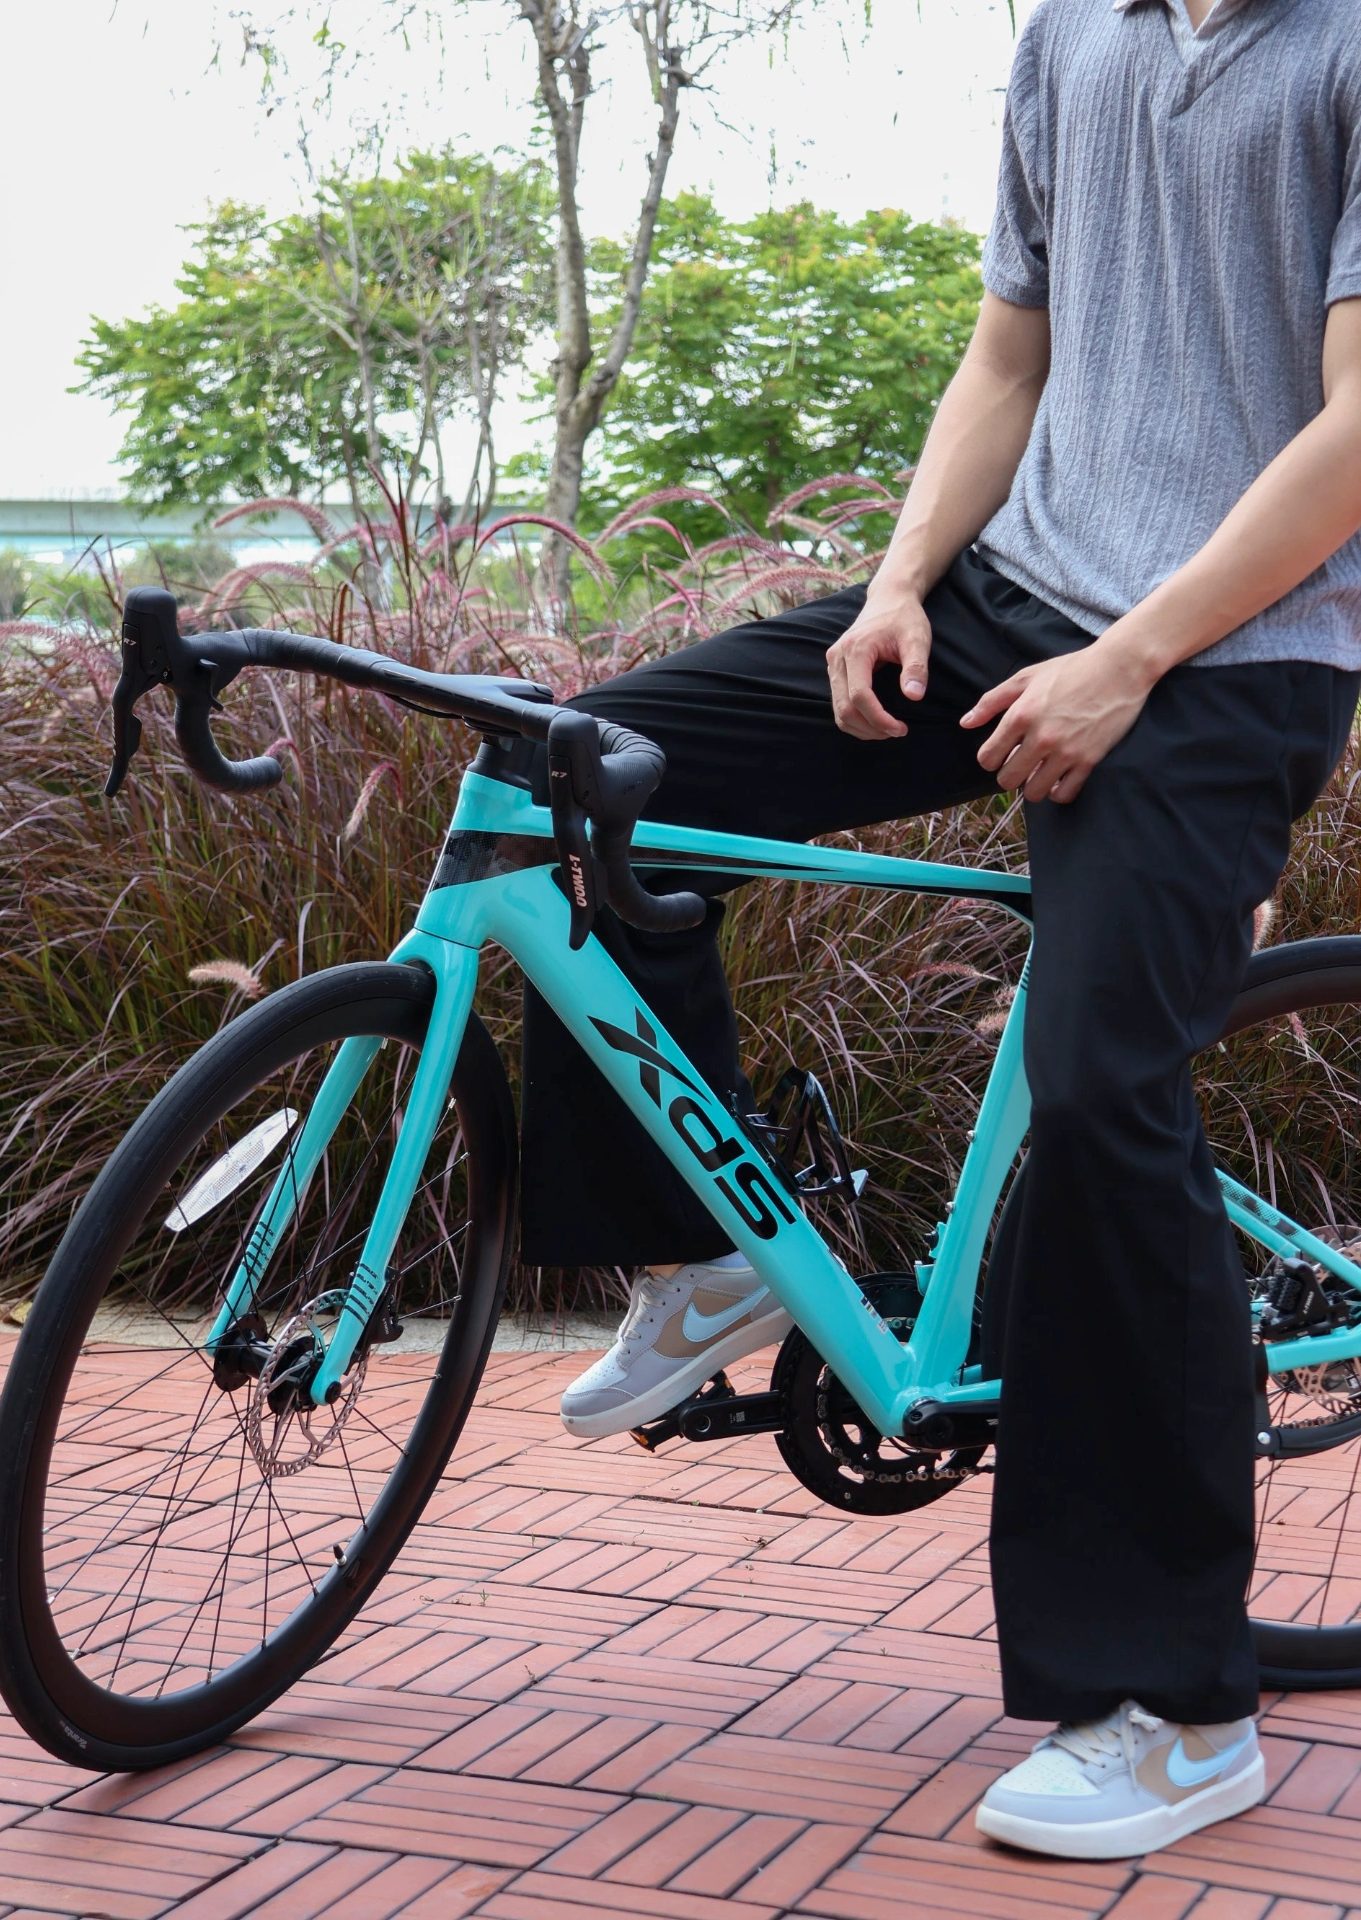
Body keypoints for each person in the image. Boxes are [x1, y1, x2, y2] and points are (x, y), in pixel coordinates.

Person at [526, 0, 1361, 1862]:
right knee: (581, 774)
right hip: (1014, 596)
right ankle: (701, 1253)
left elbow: (1359, 427)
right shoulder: (1074, 35)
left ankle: (1173, 1709)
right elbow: (1008, 350)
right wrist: (899, 584)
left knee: (1100, 1102)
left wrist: (1129, 662)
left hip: (1232, 657)